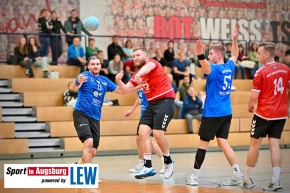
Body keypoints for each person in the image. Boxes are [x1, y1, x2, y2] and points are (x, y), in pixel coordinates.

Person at [186, 23, 244, 186]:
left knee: (203, 145)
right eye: (208, 54)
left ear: (218, 55)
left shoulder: (215, 69)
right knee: (223, 143)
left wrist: (199, 54)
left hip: (212, 112)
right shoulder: (229, 67)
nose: (209, 56)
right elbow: (234, 54)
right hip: (226, 112)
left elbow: (205, 65)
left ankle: (194, 177)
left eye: (211, 53)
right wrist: (234, 38)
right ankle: (237, 174)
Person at [115, 47, 176, 179]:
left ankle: (168, 162)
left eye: (138, 55)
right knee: (142, 132)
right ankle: (148, 166)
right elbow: (125, 91)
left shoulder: (153, 63)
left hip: (165, 100)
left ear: (146, 57)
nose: (135, 57)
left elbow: (146, 68)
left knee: (158, 134)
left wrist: (138, 75)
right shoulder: (136, 75)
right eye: (134, 56)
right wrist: (119, 81)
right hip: (152, 104)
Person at [240, 42, 290, 191]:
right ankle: (275, 181)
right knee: (274, 144)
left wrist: (249, 105)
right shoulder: (286, 69)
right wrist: (287, 105)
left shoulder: (261, 72)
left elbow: (254, 96)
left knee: (254, 145)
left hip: (264, 113)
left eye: (260, 54)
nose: (258, 56)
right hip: (281, 114)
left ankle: (247, 179)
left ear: (267, 55)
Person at [72, 56, 123, 164]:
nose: (95, 66)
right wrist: (78, 82)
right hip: (81, 113)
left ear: (100, 66)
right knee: (89, 142)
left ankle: (76, 166)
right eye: (93, 64)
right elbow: (74, 88)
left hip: (95, 117)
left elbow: (122, 91)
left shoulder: (104, 80)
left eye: (97, 64)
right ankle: (88, 176)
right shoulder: (84, 76)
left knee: (93, 151)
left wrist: (138, 86)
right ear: (88, 66)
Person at [125, 89, 164, 174]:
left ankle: (166, 161)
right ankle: (141, 164)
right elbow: (140, 97)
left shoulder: (148, 84)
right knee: (139, 139)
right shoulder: (138, 85)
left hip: (150, 116)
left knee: (148, 140)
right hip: (143, 116)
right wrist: (132, 109)